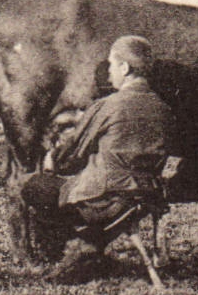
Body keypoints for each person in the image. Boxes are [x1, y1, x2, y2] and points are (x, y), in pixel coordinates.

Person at [18, 35, 177, 279]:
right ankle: (90, 249)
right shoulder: (163, 109)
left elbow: (71, 155)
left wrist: (53, 157)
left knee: (35, 187)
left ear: (125, 68)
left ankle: (72, 253)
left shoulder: (108, 106)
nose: (109, 72)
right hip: (144, 199)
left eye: (112, 65)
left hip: (105, 201)